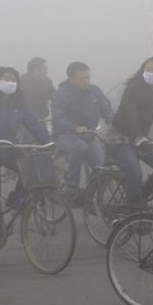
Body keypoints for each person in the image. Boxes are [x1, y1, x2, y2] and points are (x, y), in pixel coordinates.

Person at [0, 66, 50, 256]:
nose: (10, 82)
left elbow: (34, 122)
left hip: (8, 148)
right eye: (6, 78)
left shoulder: (18, 102)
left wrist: (48, 141)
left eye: (13, 80)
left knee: (31, 170)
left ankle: (15, 200)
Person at [105, 56, 153, 210]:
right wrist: (138, 137)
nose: (151, 73)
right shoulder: (133, 88)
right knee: (133, 171)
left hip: (142, 138)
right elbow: (131, 115)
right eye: (148, 70)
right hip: (120, 137)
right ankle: (134, 206)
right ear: (142, 70)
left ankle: (141, 195)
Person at [51, 62, 114, 205]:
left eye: (88, 78)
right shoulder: (61, 95)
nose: (86, 81)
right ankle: (70, 188)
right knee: (79, 148)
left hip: (89, 136)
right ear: (71, 79)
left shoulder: (95, 91)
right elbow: (58, 119)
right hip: (65, 135)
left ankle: (89, 195)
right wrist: (74, 128)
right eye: (82, 79)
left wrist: (113, 123)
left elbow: (107, 110)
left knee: (101, 168)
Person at [20, 57, 56, 121]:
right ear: (36, 69)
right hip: (25, 118)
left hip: (42, 116)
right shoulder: (22, 81)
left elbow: (55, 96)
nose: (47, 72)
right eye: (44, 69)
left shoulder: (47, 81)